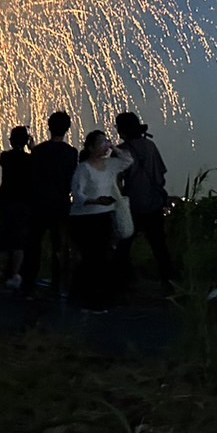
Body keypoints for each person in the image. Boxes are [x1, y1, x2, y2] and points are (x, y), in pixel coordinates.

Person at [113, 111, 177, 293]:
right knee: (159, 246)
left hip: (131, 205)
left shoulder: (120, 151)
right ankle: (169, 282)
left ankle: (122, 283)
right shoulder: (150, 146)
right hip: (153, 204)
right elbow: (160, 175)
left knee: (123, 246)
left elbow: (115, 180)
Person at [69, 130, 132, 312]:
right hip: (85, 219)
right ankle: (91, 300)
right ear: (90, 147)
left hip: (105, 215)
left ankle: (98, 298)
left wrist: (114, 147)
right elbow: (77, 194)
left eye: (107, 142)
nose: (105, 145)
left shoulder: (110, 165)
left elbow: (128, 160)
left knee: (102, 257)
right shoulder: (83, 168)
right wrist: (95, 201)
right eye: (101, 143)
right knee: (92, 258)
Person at [22, 110, 79, 298]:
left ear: (48, 126)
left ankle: (28, 284)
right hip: (60, 204)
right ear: (67, 129)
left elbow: (32, 176)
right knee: (60, 247)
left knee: (33, 246)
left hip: (38, 204)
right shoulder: (71, 153)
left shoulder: (38, 151)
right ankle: (59, 285)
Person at [0, 126, 33, 290]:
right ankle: (15, 273)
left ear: (11, 140)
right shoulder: (30, 159)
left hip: (6, 198)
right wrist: (33, 147)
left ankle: (0, 272)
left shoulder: (5, 156)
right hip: (23, 200)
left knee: (5, 233)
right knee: (19, 238)